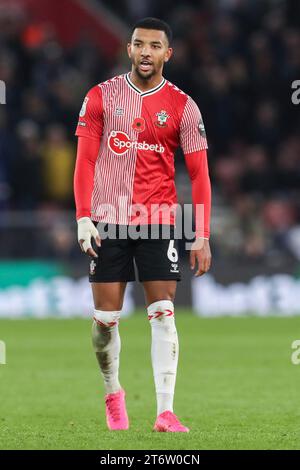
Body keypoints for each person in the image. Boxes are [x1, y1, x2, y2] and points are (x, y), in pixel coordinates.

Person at [74, 17, 212, 433]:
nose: (146, 52)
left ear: (167, 53)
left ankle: (165, 412)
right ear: (129, 49)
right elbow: (85, 160)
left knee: (163, 313)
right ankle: (112, 391)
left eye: (155, 46)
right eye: (139, 45)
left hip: (158, 220)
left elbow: (201, 174)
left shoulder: (184, 106)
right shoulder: (100, 96)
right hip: (108, 219)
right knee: (104, 321)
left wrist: (200, 234)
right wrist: (83, 217)